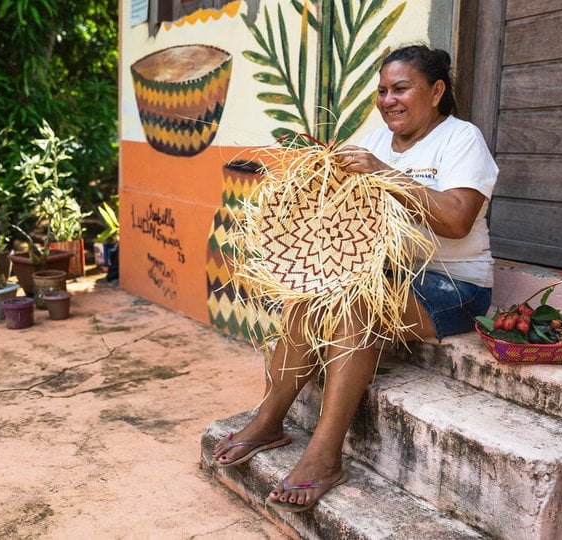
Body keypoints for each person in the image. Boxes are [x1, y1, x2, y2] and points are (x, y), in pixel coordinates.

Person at [211, 44, 499, 512]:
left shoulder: (461, 139)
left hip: (455, 285)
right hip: (384, 273)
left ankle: (325, 457)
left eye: (401, 88)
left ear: (437, 91)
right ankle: (268, 420)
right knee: (310, 297)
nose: (388, 100)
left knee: (353, 308)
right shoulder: (377, 137)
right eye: (383, 90)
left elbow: (456, 221)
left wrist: (385, 174)